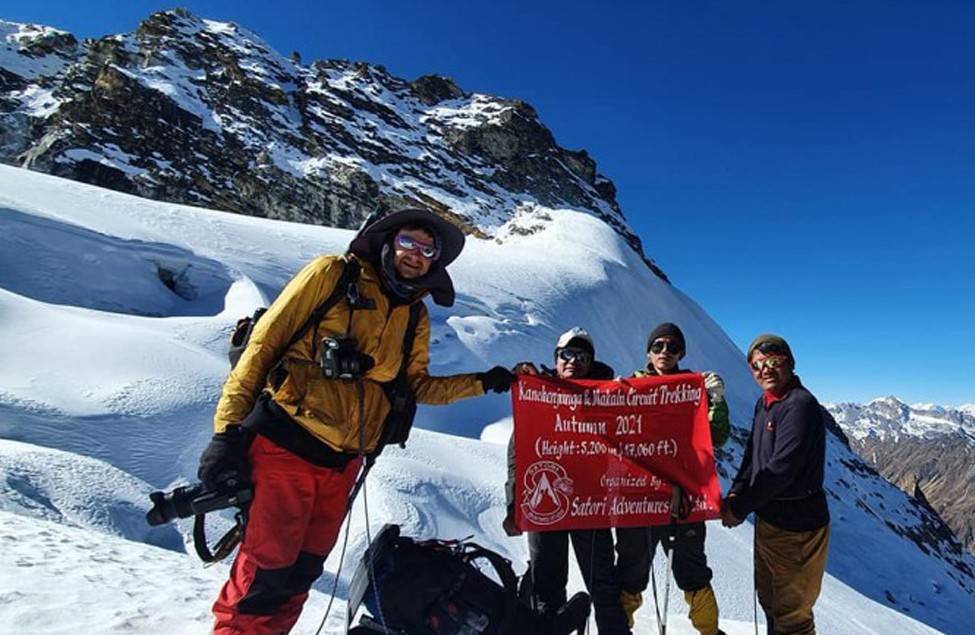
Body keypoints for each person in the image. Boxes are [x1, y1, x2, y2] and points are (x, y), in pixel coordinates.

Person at [198, 208, 516, 635]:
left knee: (302, 572)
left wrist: (483, 382)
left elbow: (416, 386)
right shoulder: (332, 275)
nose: (416, 255)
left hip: (343, 464)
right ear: (386, 241)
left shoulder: (413, 315)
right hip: (285, 444)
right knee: (266, 571)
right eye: (408, 242)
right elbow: (263, 346)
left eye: (427, 249)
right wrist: (228, 432)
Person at [504, 327, 633, 635]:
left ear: (591, 362)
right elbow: (518, 452)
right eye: (567, 354)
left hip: (590, 504)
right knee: (546, 585)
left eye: (582, 356)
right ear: (556, 358)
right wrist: (514, 503)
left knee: (603, 584)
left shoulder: (608, 397)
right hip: (545, 501)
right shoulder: (538, 395)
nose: (574, 361)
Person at [614, 322, 729, 635]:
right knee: (630, 570)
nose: (665, 352)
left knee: (691, 570)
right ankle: (619, 628)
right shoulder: (628, 387)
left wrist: (716, 401)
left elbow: (716, 436)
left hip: (683, 496)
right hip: (638, 496)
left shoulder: (694, 388)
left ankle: (710, 632)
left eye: (672, 347)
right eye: (659, 346)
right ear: (648, 351)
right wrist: (607, 398)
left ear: (682, 353)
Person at [721, 334, 830, 635]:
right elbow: (752, 456)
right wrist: (736, 491)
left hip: (798, 528)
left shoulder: (800, 405)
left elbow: (782, 468)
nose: (765, 370)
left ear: (789, 364)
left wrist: (739, 508)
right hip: (770, 521)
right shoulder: (765, 403)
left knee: (792, 617)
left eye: (773, 362)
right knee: (770, 602)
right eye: (757, 365)